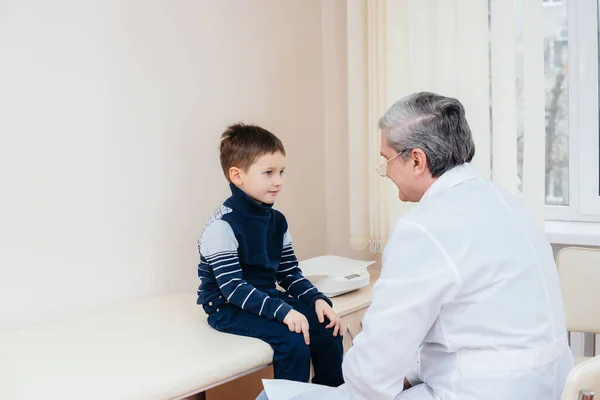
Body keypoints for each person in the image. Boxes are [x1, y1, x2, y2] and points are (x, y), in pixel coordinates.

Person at [260, 92, 573, 400]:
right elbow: (473, 326)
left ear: (417, 160)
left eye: (386, 160)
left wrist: (352, 386)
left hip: (480, 389)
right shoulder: (506, 203)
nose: (385, 173)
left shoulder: (424, 228)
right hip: (547, 383)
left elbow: (377, 365)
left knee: (272, 397)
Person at [196, 123, 344, 387]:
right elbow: (233, 289)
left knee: (327, 328)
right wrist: (283, 311)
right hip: (227, 306)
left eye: (281, 172)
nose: (278, 181)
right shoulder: (222, 226)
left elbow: (288, 273)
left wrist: (316, 299)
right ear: (237, 176)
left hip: (264, 297)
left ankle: (330, 394)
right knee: (293, 339)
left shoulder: (277, 221)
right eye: (268, 173)